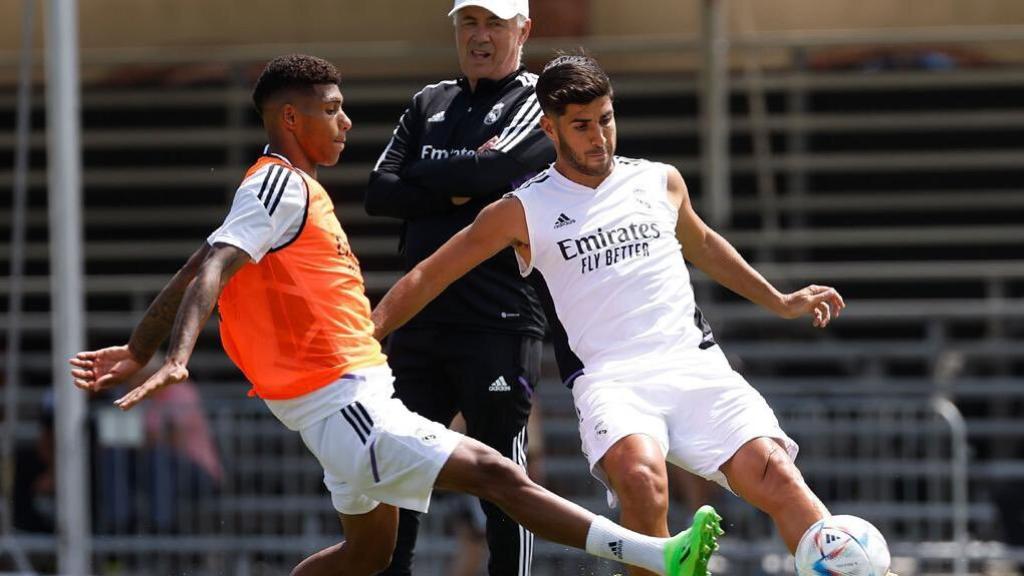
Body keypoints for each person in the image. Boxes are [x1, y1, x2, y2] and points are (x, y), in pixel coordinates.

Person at [69, 54, 720, 576]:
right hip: (346, 405)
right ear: (291, 120)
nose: (347, 122)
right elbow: (210, 266)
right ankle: (656, 554)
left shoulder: (287, 190)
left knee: (367, 556)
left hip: (352, 402)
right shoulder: (276, 184)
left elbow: (194, 264)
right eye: (332, 110)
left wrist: (137, 348)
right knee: (498, 473)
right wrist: (174, 355)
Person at [369, 54, 864, 576]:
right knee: (642, 479)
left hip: (695, 367)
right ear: (549, 127)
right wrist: (370, 331)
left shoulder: (660, 181)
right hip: (612, 380)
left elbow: (706, 245)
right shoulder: (521, 209)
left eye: (605, 119)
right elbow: (430, 274)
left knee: (780, 477)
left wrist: (781, 301)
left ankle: (854, 569)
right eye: (581, 126)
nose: (598, 136)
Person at [364, 0, 556, 574]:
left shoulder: (536, 98)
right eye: (468, 22)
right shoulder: (429, 101)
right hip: (420, 321)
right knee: (393, 469)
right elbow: (379, 191)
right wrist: (459, 185)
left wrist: (436, 177)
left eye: (494, 23)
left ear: (524, 29)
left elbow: (482, 175)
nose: (479, 35)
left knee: (501, 480)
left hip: (496, 319)